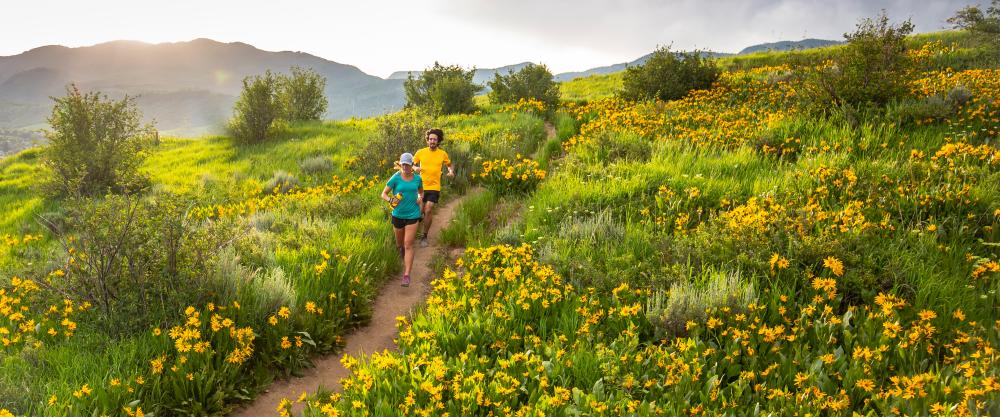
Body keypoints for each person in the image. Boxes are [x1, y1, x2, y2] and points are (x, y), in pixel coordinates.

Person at [381, 152, 423, 287]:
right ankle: (402, 254)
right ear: (400, 164)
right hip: (398, 215)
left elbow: (421, 192)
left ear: (412, 165)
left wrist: (420, 197)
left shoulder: (417, 179)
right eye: (403, 164)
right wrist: (390, 200)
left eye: (408, 164)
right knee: (400, 245)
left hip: (413, 215)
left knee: (408, 244)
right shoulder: (395, 178)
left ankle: (406, 275)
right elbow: (383, 193)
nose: (405, 167)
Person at [413, 128, 454, 247]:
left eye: (434, 139)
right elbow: (412, 164)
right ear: (427, 140)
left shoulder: (442, 154)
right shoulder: (420, 152)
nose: (432, 141)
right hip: (421, 186)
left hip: (434, 187)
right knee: (419, 210)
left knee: (428, 209)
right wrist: (415, 168)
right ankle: (416, 226)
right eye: (430, 139)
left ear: (438, 141)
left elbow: (449, 164)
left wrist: (450, 171)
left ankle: (424, 236)